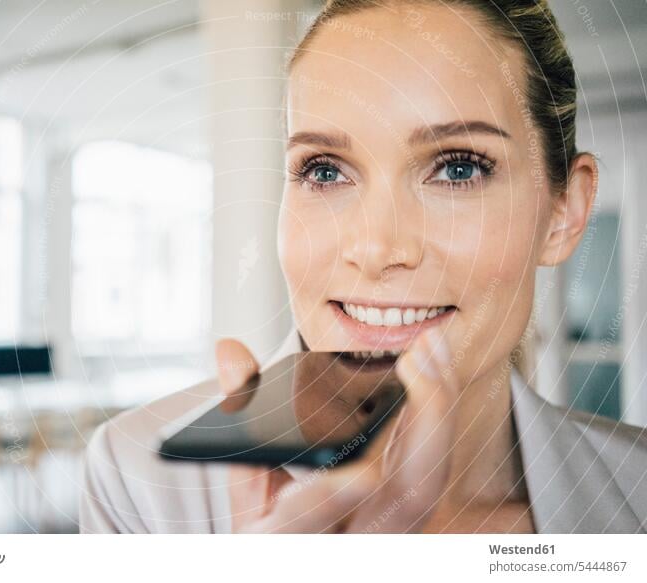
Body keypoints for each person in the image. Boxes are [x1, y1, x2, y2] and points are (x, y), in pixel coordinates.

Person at [79, 0, 647, 533]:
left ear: (564, 213)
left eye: (457, 169)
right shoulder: (135, 485)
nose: (376, 248)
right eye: (324, 171)